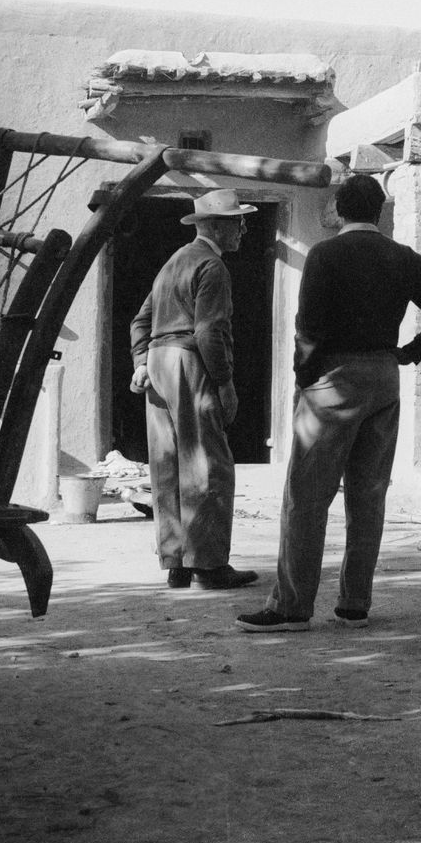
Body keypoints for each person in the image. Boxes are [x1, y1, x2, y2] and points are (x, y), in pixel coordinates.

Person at [237, 174, 421, 633]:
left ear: (339, 210)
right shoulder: (401, 257)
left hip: (334, 379)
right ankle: (354, 603)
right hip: (383, 376)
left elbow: (309, 325)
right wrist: (410, 352)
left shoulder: (325, 254)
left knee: (306, 496)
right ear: (379, 210)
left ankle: (292, 606)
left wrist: (304, 376)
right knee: (369, 495)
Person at [130, 187, 260, 591]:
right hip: (189, 361)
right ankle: (208, 564)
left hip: (158, 363)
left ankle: (177, 562)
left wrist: (140, 363)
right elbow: (210, 331)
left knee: (167, 464)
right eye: (237, 222)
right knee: (208, 464)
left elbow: (140, 321)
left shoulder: (173, 263)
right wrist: (224, 384)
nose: (242, 230)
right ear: (218, 228)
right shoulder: (212, 266)